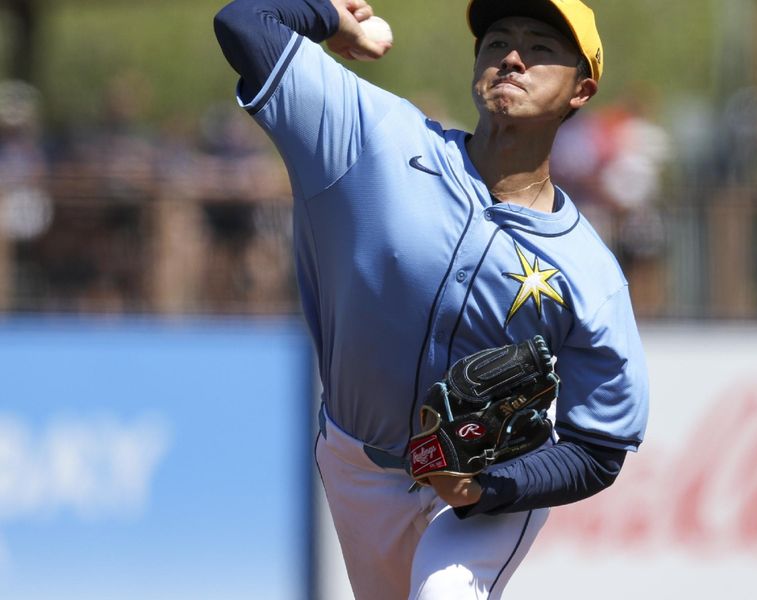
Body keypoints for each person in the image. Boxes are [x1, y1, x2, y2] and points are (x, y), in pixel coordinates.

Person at [214, 0, 649, 598]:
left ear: (582, 90)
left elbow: (598, 448)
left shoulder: (590, 273)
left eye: (542, 48)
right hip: (357, 467)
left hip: (489, 479)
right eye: (497, 42)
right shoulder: (373, 140)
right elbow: (244, 24)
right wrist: (329, 19)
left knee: (446, 590)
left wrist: (490, 489)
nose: (513, 57)